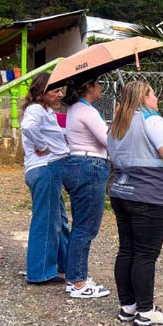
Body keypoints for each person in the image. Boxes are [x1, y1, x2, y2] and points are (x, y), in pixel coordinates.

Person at [107, 80, 163, 326]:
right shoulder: (153, 121)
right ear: (143, 98)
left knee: (127, 249)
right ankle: (146, 310)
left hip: (121, 191)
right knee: (146, 254)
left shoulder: (117, 123)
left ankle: (127, 306)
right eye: (153, 95)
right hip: (149, 195)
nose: (156, 99)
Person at [60, 79, 110, 299]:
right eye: (97, 83)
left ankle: (75, 276)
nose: (100, 87)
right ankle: (78, 282)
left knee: (80, 224)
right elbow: (109, 140)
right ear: (88, 86)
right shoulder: (87, 111)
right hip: (90, 165)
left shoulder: (74, 109)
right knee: (86, 227)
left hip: (76, 165)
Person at [20, 73, 70, 284]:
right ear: (42, 91)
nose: (59, 95)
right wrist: (42, 146)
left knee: (58, 218)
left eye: (61, 91)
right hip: (45, 168)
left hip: (48, 169)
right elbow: (28, 127)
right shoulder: (36, 110)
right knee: (47, 221)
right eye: (55, 91)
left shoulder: (46, 111)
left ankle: (64, 262)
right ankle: (40, 272)